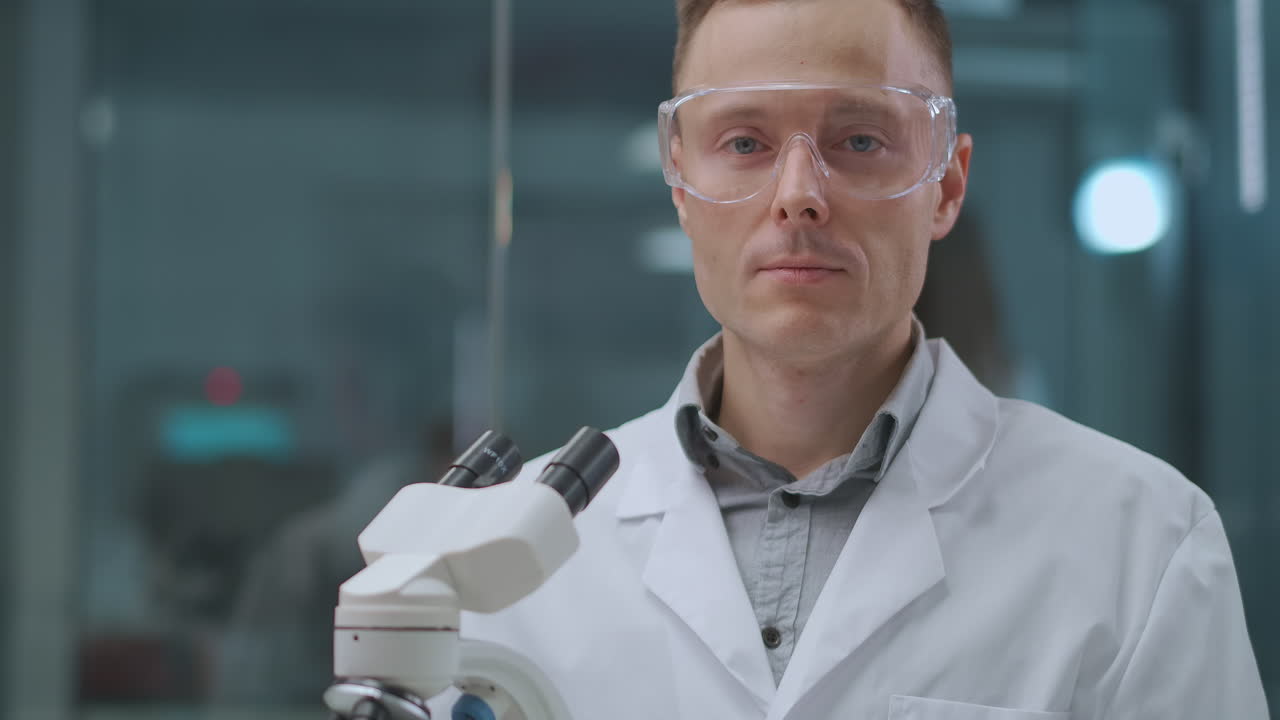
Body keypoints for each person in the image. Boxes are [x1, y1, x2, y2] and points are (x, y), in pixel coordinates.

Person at [453, 0, 1271, 717]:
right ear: (680, 184)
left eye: (860, 139)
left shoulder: (1141, 542)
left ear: (946, 186)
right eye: (743, 142)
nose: (798, 192)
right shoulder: (515, 556)